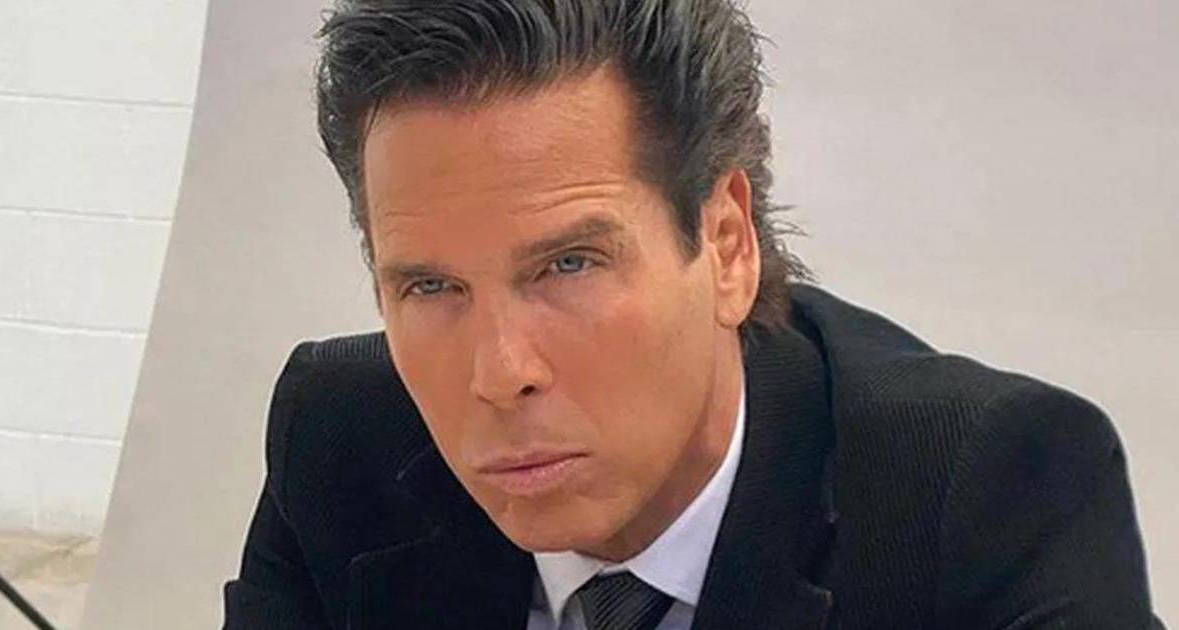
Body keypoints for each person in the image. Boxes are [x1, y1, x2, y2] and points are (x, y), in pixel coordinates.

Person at [223, 1, 1164, 628]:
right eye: (431, 288)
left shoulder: (991, 494)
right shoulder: (341, 437)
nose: (500, 373)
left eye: (568, 265)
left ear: (726, 245)